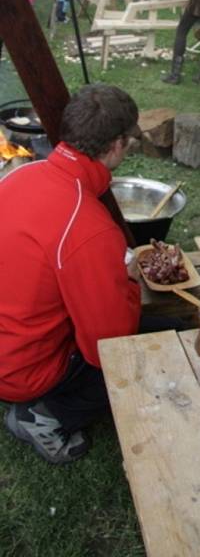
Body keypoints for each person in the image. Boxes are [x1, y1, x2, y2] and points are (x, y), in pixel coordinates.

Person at [0, 84, 146, 464]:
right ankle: (43, 417)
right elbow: (107, 345)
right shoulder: (89, 227)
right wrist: (129, 281)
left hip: (7, 339)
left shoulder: (19, 176)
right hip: (19, 368)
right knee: (142, 350)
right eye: (131, 140)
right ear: (116, 145)